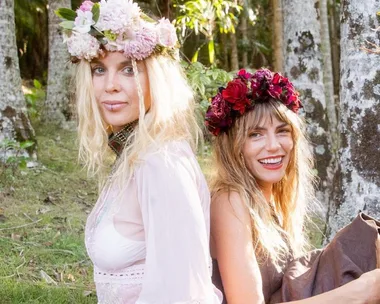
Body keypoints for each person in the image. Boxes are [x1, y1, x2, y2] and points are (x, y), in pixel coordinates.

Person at [56, 1, 223, 303]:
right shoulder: (135, 154)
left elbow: (181, 294)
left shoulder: (161, 163)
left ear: (156, 78)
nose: (110, 86)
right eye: (98, 70)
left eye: (128, 70)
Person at [205, 68, 380, 304]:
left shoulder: (269, 202)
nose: (273, 146)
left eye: (282, 131)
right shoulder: (229, 200)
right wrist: (361, 292)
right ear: (233, 146)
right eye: (255, 135)